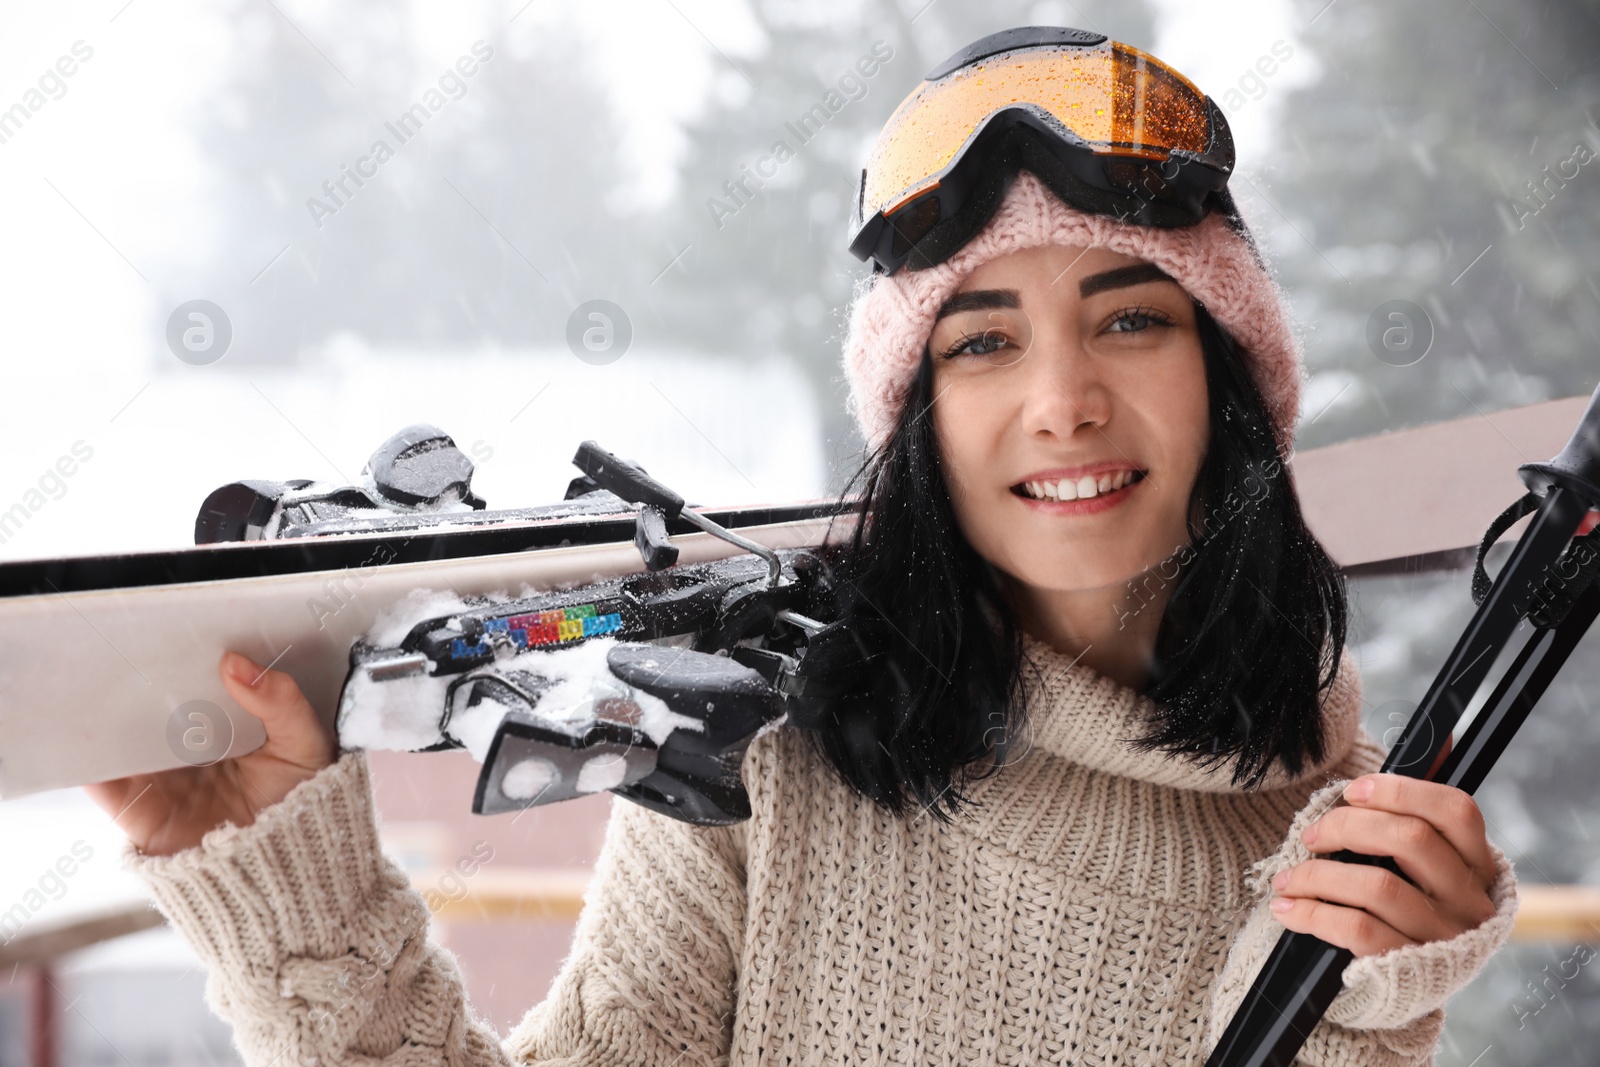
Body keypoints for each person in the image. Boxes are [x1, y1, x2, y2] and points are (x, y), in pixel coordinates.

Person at [87, 25, 1519, 1066]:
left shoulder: (1354, 864)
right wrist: (272, 878)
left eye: (1132, 318)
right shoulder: (771, 746)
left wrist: (1367, 1000)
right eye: (983, 344)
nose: (1063, 402)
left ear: (1232, 380)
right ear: (920, 425)